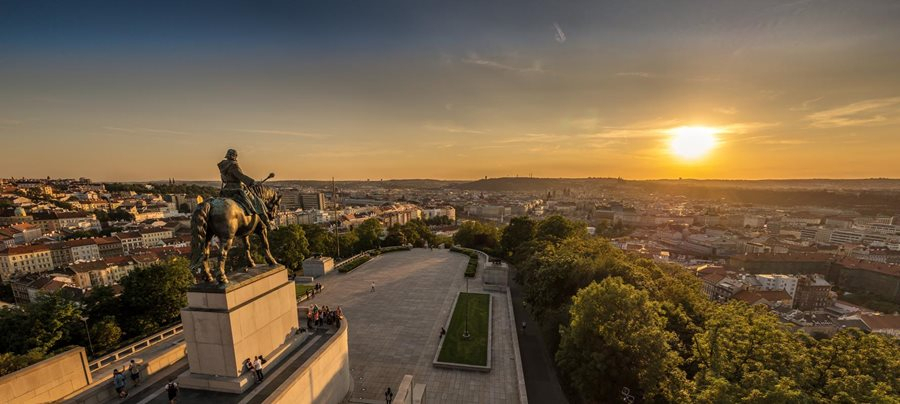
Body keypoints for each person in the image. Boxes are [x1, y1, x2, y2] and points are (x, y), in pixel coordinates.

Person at [218, 149, 272, 230]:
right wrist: (252, 182)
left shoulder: (222, 166)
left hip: (226, 190)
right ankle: (268, 224)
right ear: (234, 156)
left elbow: (223, 179)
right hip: (237, 188)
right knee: (258, 202)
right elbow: (240, 176)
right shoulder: (233, 165)